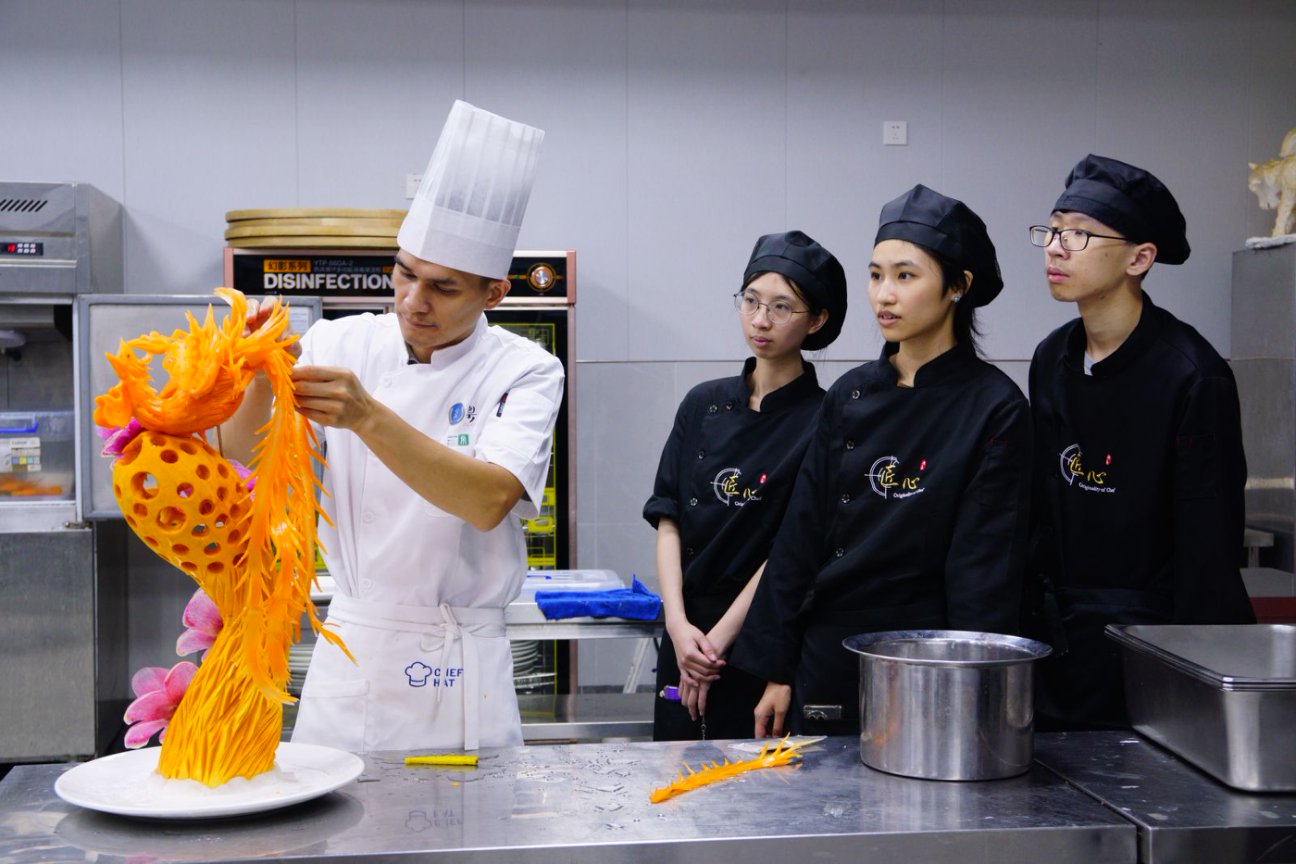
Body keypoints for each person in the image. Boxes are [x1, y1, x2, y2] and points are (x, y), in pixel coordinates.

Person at [221, 100, 563, 753]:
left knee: (471, 822)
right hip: (355, 648)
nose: (413, 300)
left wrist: (367, 416)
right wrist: (259, 374)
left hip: (458, 659)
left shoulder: (526, 370)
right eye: (405, 273)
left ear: (493, 294)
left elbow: (488, 499)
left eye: (444, 287)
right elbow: (245, 457)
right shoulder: (339, 343)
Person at [731, 185, 1032, 738]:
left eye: (905, 275)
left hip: (928, 662)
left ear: (958, 287)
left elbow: (984, 572)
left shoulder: (995, 407)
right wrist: (777, 667)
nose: (883, 295)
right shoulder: (850, 394)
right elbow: (801, 536)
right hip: (828, 651)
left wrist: (974, 691)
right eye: (875, 275)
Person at [1024, 154, 1255, 730]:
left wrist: (1197, 689)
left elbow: (1208, 553)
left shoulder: (1192, 375)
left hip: (1151, 652)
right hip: (1058, 644)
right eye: (1052, 229)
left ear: (1140, 258)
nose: (1055, 247)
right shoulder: (1052, 357)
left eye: (1079, 234)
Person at [644, 230, 847, 741]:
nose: (760, 320)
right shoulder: (702, 403)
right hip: (685, 635)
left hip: (758, 639)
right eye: (751, 301)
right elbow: (668, 517)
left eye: (782, 307)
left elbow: (792, 549)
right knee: (673, 779)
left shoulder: (826, 419)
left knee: (751, 782)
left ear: (817, 320)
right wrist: (677, 626)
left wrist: (716, 644)